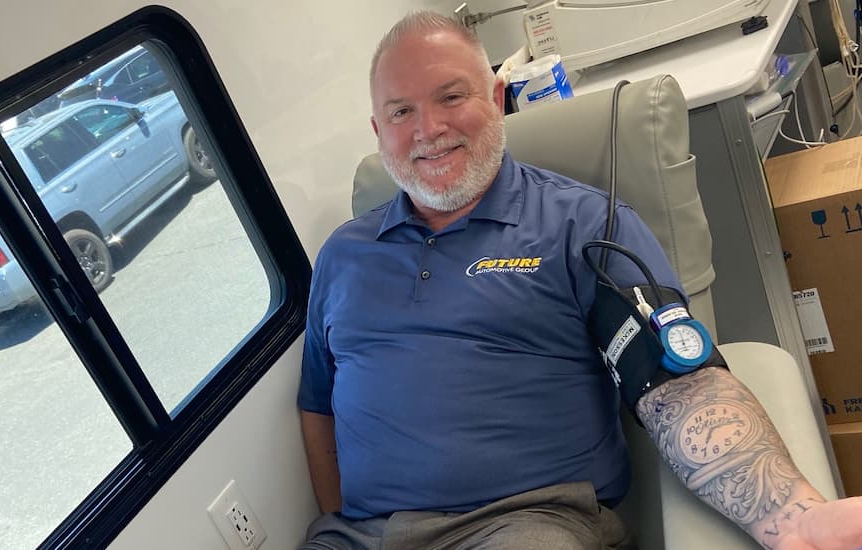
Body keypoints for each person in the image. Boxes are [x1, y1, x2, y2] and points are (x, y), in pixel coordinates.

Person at [297, 11, 862, 550]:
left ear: (496, 99)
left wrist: (794, 521)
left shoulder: (583, 226)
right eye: (400, 112)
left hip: (521, 525)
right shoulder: (342, 256)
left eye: (451, 96)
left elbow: (675, 383)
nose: (429, 129)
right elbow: (319, 406)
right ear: (378, 130)